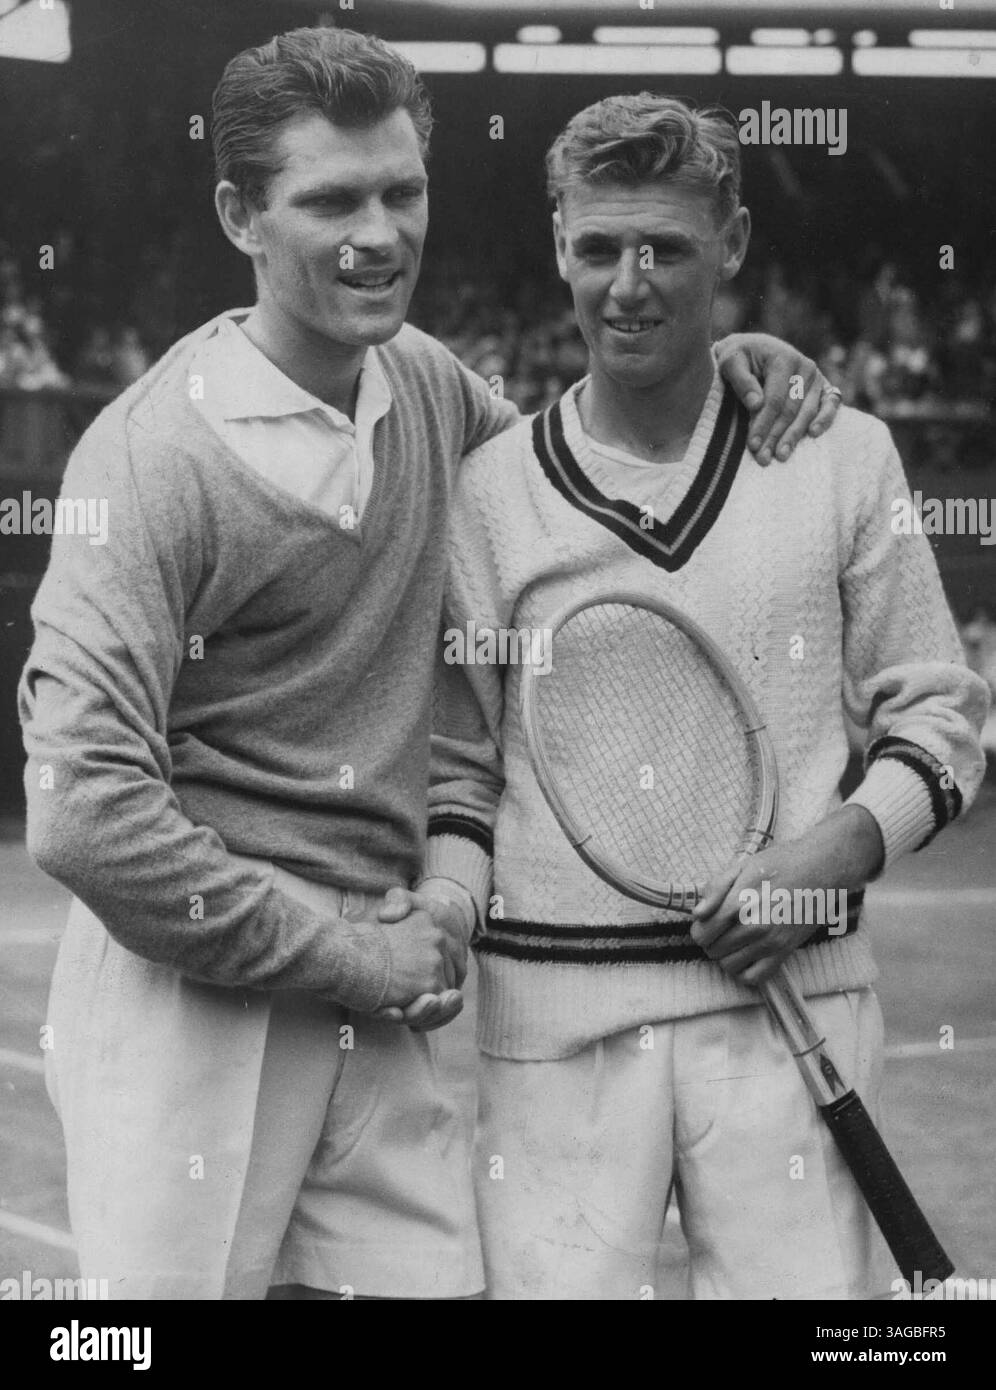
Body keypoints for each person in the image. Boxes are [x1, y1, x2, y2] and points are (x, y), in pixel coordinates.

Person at [19, 30, 839, 1302]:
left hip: (394, 982)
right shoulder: (144, 464)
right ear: (240, 212)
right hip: (196, 1007)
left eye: (402, 193)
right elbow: (81, 816)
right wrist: (350, 957)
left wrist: (707, 364)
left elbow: (579, 489)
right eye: (332, 199)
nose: (379, 234)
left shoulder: (427, 383)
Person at [417, 94, 989, 1300]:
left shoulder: (848, 458)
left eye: (667, 247)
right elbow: (462, 771)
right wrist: (437, 915)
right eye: (598, 247)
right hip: (554, 1033)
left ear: (730, 242)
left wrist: (830, 853)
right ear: (558, 243)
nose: (630, 283)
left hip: (797, 1011)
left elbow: (942, 716)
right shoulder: (489, 493)